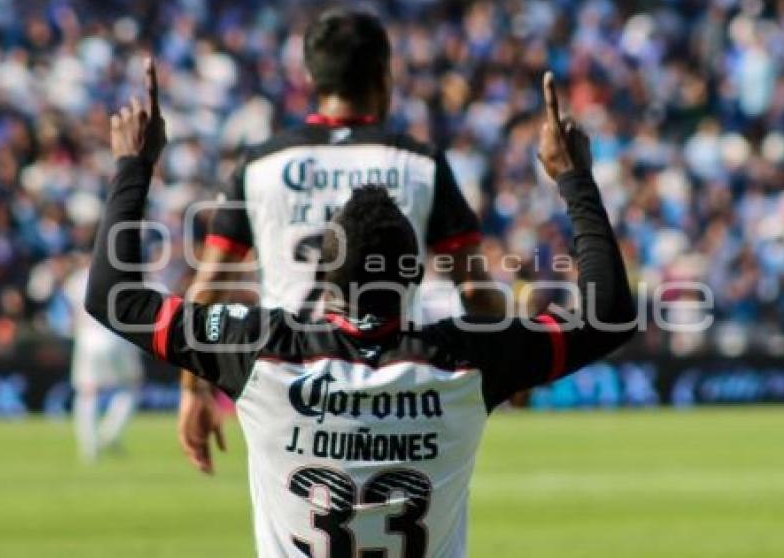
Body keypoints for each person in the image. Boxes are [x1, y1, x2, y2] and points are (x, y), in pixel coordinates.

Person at [85, 58, 635, 556]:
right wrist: (574, 177)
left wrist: (135, 165)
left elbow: (114, 297)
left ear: (324, 280)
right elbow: (609, 312)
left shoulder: (256, 349)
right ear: (417, 273)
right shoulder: (469, 356)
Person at [178, 8, 505, 474]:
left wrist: (193, 391)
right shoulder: (419, 163)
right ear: (383, 74)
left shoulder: (261, 165)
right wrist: (509, 364)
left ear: (311, 76)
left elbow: (206, 293)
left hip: (287, 388)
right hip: (391, 388)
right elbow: (474, 291)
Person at [64, 257, 142, 462]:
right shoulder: (122, 275)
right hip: (117, 337)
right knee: (131, 387)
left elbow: (72, 316)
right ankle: (110, 433)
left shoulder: (75, 280)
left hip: (87, 338)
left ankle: (89, 448)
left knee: (87, 393)